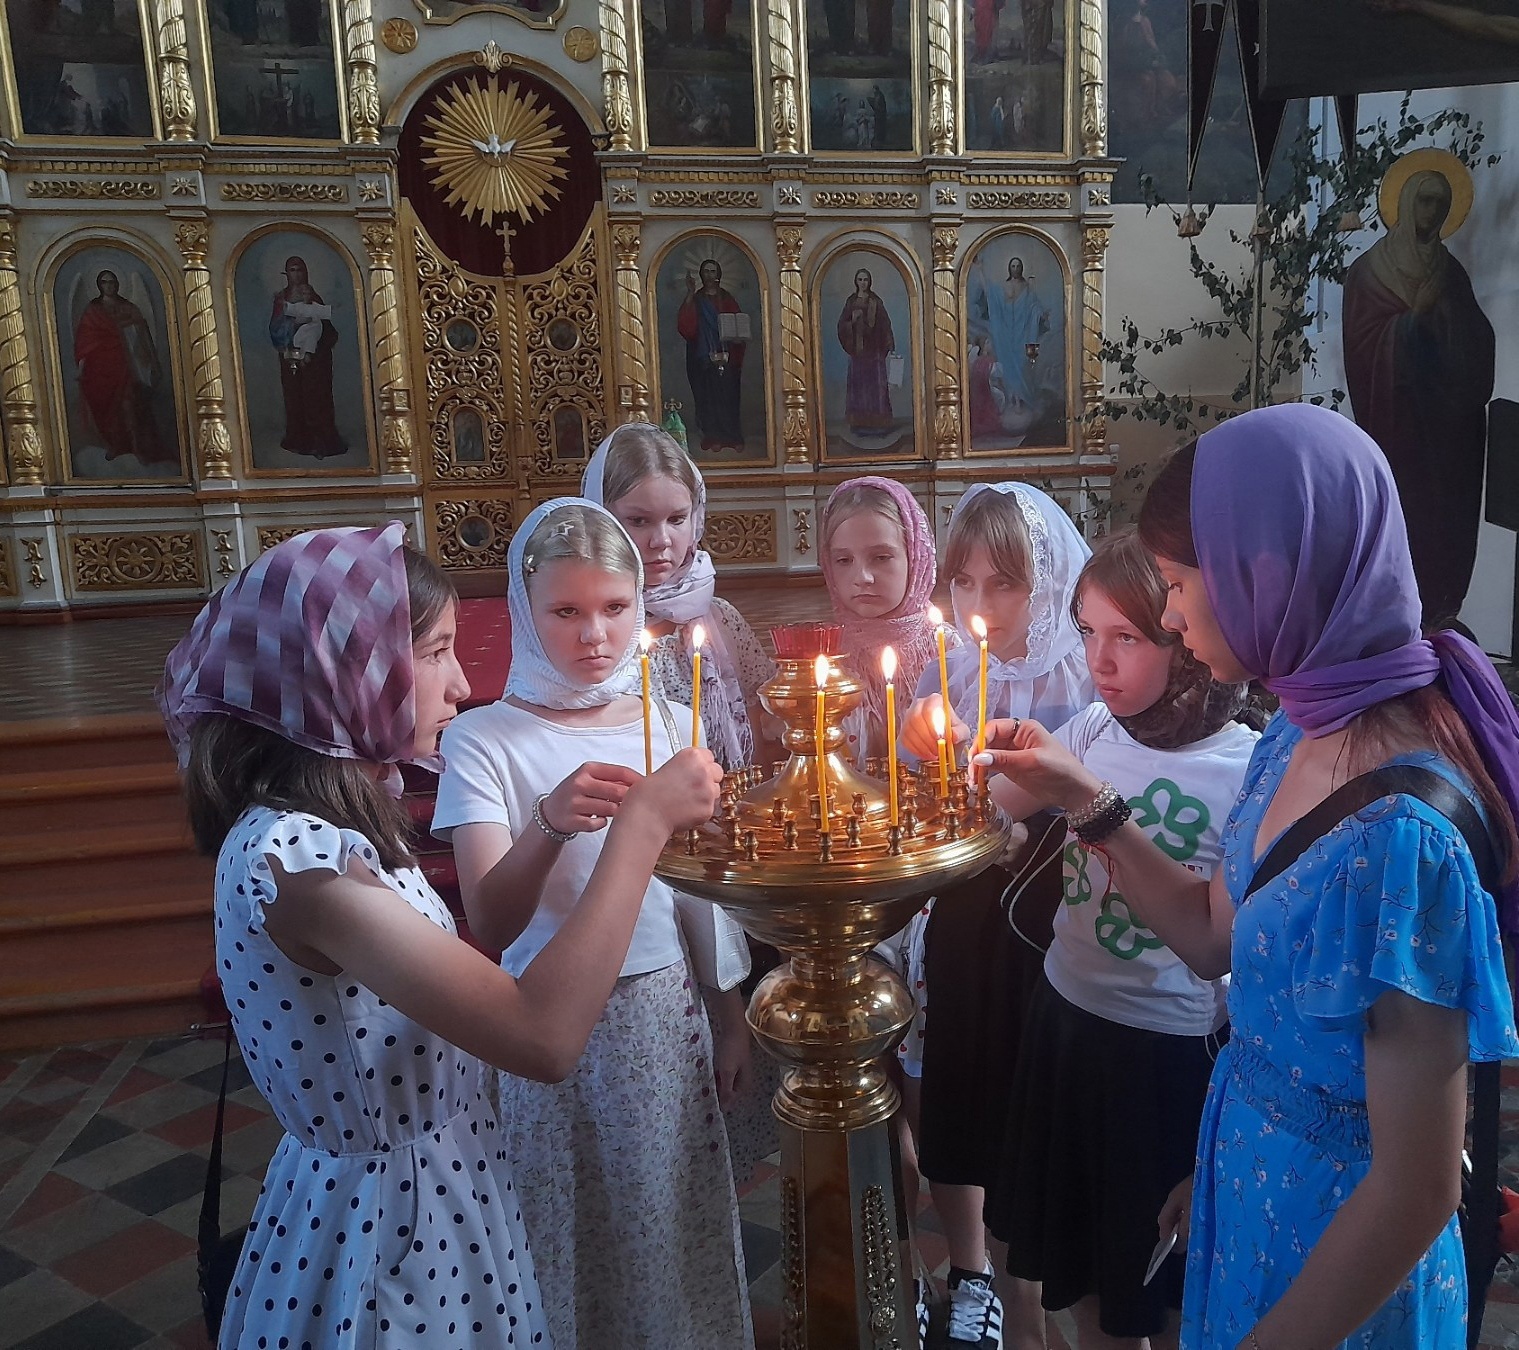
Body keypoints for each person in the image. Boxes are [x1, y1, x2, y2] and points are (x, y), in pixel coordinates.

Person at [972, 404, 1519, 1349]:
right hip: (1249, 1193)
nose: (1170, 615)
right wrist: (1081, 797)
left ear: (1269, 574)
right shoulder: (1293, 736)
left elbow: (1417, 1186)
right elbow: (1207, 936)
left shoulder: (1402, 838)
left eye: (1181, 583)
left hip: (1342, 1270)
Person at [156, 523, 724, 1350]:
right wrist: (640, 826)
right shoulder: (298, 866)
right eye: (433, 653)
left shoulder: (332, 832)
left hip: (440, 1187)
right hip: (390, 1230)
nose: (460, 683)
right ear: (342, 671)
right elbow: (541, 1036)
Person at [432, 499, 754, 1350]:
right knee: (559, 1227)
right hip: (542, 1018)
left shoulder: (671, 724)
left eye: (615, 608)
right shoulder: (484, 739)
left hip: (660, 1018)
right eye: (565, 611)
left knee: (664, 1224)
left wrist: (728, 1018)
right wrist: (547, 823)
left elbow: (698, 900)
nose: (594, 635)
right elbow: (491, 921)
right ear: (524, 612)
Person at [974, 529, 1257, 1350]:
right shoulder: (1094, 731)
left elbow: (1225, 942)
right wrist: (954, 759)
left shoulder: (1244, 766)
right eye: (1088, 631)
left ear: (1185, 640)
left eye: (1126, 637)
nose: (1099, 660)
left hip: (1165, 1054)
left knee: (1156, 1287)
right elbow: (986, 809)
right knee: (1086, 1276)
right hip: (1068, 1025)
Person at [900, 482, 1094, 1350]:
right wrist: (921, 740)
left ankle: (1059, 1303)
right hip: (970, 916)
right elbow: (928, 794)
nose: (980, 603)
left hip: (1057, 919)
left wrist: (988, 797)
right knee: (971, 1098)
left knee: (1044, 1115)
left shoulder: (1087, 668)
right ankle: (997, 1295)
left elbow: (1076, 794)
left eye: (1003, 583)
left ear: (1046, 580)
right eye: (963, 581)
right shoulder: (950, 668)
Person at [1342, 160, 1495, 627]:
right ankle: (1400, 611)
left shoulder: (1451, 274)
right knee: (1403, 518)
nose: (1432, 213)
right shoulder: (1370, 272)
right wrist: (1412, 322)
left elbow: (1477, 344)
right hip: (1397, 426)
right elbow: (1362, 346)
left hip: (1447, 434)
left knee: (1445, 524)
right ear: (1407, 203)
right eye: (1426, 201)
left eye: (1441, 205)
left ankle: (1442, 609)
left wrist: (1445, 321)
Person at [582, 422, 775, 774]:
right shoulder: (590, 630)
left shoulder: (721, 619)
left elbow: (759, 723)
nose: (661, 540)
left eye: (677, 519)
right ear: (602, 519)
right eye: (638, 520)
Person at [74, 269, 174, 467]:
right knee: (108, 409)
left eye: (112, 282)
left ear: (118, 284)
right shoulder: (93, 310)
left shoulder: (128, 307)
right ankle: (116, 445)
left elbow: (143, 333)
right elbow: (85, 338)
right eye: (105, 282)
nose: (109, 286)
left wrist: (153, 362)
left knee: (130, 407)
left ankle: (138, 448)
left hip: (127, 367)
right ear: (99, 285)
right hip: (102, 368)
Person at [269, 255, 346, 459]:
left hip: (317, 360)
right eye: (292, 270)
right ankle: (299, 440)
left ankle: (321, 442)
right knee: (295, 397)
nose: (297, 275)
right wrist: (294, 325)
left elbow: (325, 326)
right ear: (287, 274)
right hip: (291, 355)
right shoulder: (282, 299)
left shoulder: (313, 296)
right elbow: (275, 327)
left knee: (317, 397)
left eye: (300, 270)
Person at [677, 259, 747, 453]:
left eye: (713, 271)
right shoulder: (697, 299)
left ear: (719, 274)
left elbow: (738, 323)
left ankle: (732, 436)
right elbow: (686, 327)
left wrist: (737, 338)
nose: (709, 275)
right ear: (701, 274)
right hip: (704, 357)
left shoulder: (727, 298)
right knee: (708, 398)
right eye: (706, 271)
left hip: (727, 355)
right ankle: (713, 436)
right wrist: (690, 294)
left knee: (729, 396)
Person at [837, 269, 896, 434]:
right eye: (860, 280)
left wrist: (889, 343)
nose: (863, 283)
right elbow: (842, 325)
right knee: (859, 385)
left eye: (865, 280)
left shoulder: (875, 301)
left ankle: (878, 421)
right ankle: (859, 421)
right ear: (856, 282)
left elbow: (885, 324)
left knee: (875, 385)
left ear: (869, 282)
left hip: (875, 351)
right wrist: (852, 321)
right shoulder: (851, 301)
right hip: (859, 351)